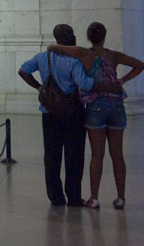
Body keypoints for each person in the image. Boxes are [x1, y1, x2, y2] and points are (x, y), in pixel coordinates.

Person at [18, 24, 123, 207]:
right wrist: (109, 87)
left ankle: (56, 198)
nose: (74, 37)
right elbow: (84, 84)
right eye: (71, 35)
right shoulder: (74, 61)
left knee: (51, 156)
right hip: (73, 113)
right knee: (74, 156)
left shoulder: (43, 57)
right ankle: (74, 197)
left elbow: (23, 71)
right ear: (66, 38)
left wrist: (39, 87)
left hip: (49, 113)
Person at [48, 22, 144, 209]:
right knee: (117, 155)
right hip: (116, 105)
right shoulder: (114, 56)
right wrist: (122, 80)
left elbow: (54, 47)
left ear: (89, 37)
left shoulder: (83, 53)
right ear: (105, 36)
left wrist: (57, 45)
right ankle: (121, 198)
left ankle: (94, 198)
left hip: (95, 107)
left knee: (97, 155)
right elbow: (140, 65)